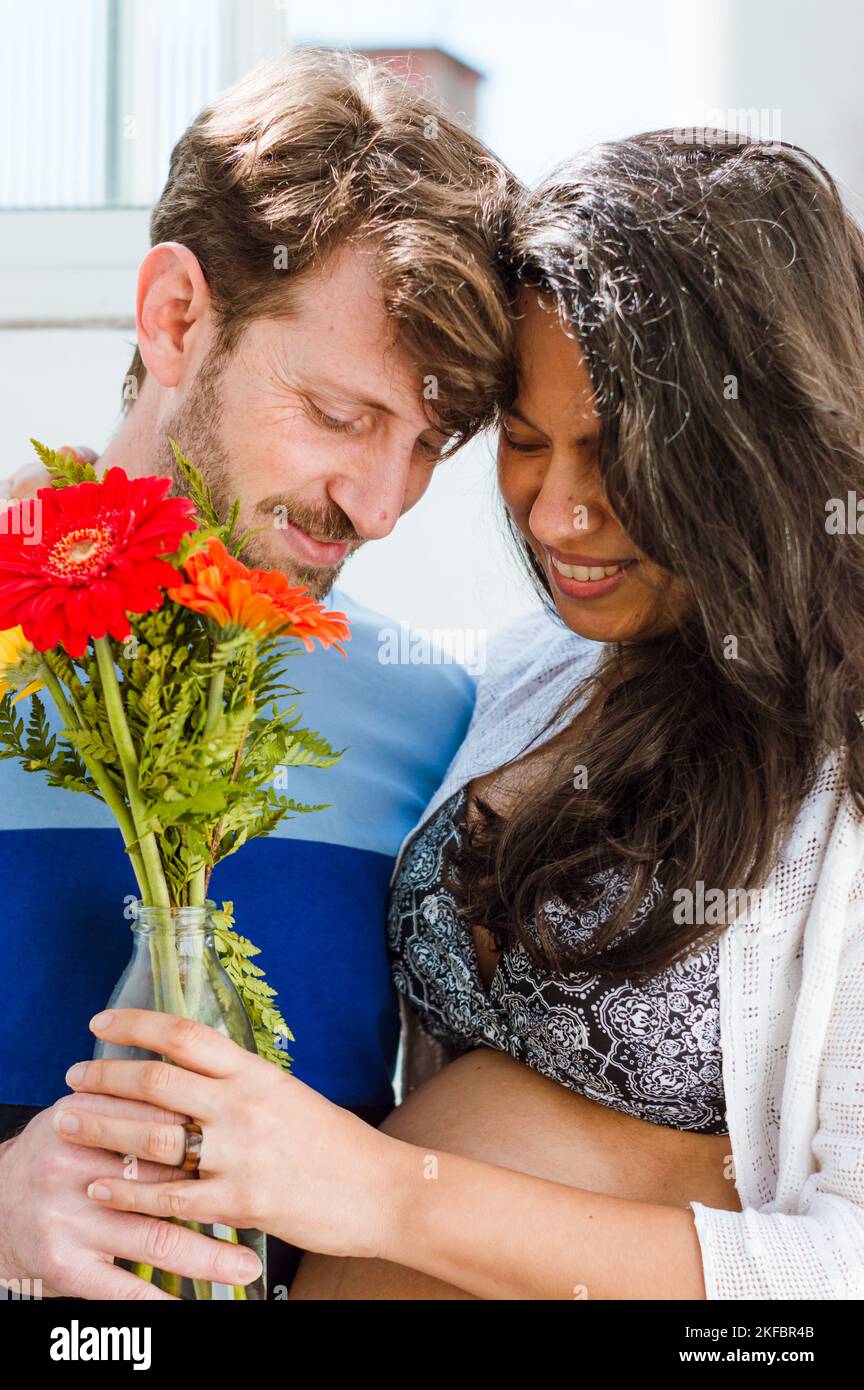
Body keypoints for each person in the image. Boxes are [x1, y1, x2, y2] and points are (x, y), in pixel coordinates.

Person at [47, 129, 864, 1301]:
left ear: (759, 446)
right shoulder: (508, 684)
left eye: (620, 456)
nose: (558, 513)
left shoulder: (839, 757)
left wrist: (382, 1191)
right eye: (525, 444)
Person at [0, 46, 517, 1299]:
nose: (382, 506)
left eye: (428, 446)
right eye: (340, 417)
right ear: (177, 317)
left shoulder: (445, 717)